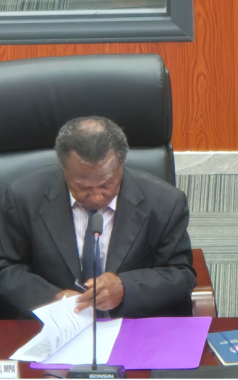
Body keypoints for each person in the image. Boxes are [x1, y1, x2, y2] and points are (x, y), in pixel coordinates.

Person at [0, 116, 196, 319]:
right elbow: (6, 267)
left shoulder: (165, 202)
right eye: (83, 186)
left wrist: (125, 288)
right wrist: (54, 299)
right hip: (54, 326)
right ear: (64, 169)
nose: (96, 197)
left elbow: (181, 275)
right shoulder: (23, 197)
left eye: (106, 184)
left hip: (130, 323)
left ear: (120, 164)